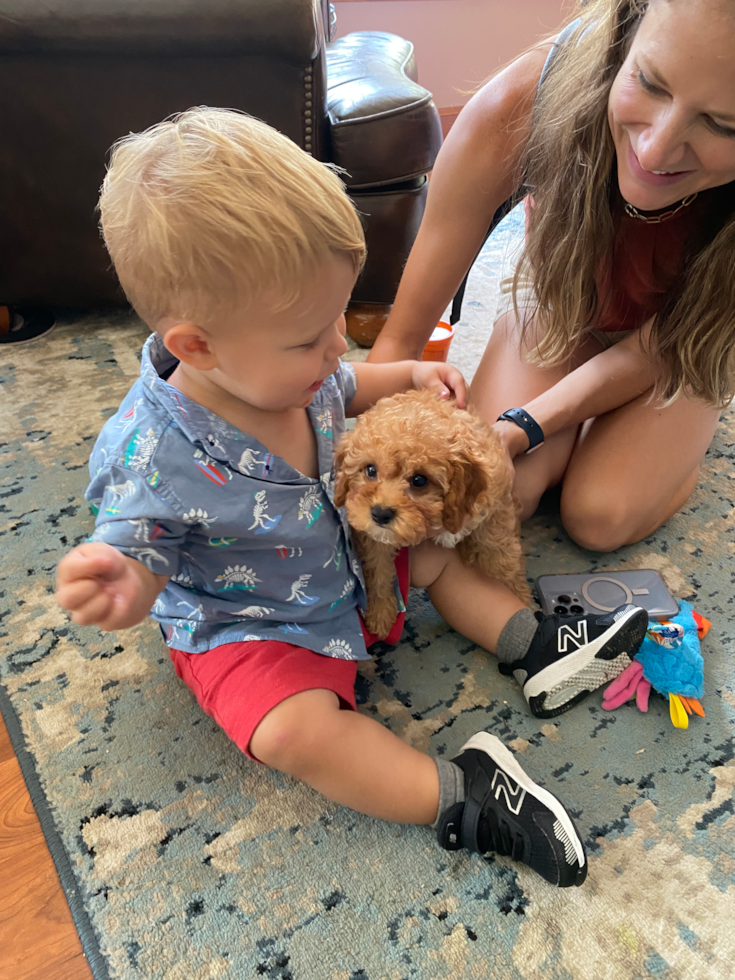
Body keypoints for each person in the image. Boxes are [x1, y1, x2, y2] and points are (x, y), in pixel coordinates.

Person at [54, 108, 647, 889]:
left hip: (354, 566)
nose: (337, 346)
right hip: (257, 627)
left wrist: (400, 377)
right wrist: (125, 584)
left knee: (434, 560)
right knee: (293, 734)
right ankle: (462, 793)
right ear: (196, 345)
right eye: (309, 337)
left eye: (338, 319)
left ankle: (532, 643)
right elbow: (140, 548)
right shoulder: (148, 456)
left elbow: (346, 382)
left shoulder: (293, 370)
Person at [368, 0, 735, 558]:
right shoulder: (517, 104)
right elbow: (399, 340)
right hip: (562, 295)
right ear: (627, 31)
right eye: (650, 82)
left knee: (599, 515)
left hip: (681, 339)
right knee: (497, 496)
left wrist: (525, 424)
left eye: (722, 124)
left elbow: (663, 346)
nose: (654, 149)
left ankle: (681, 435)